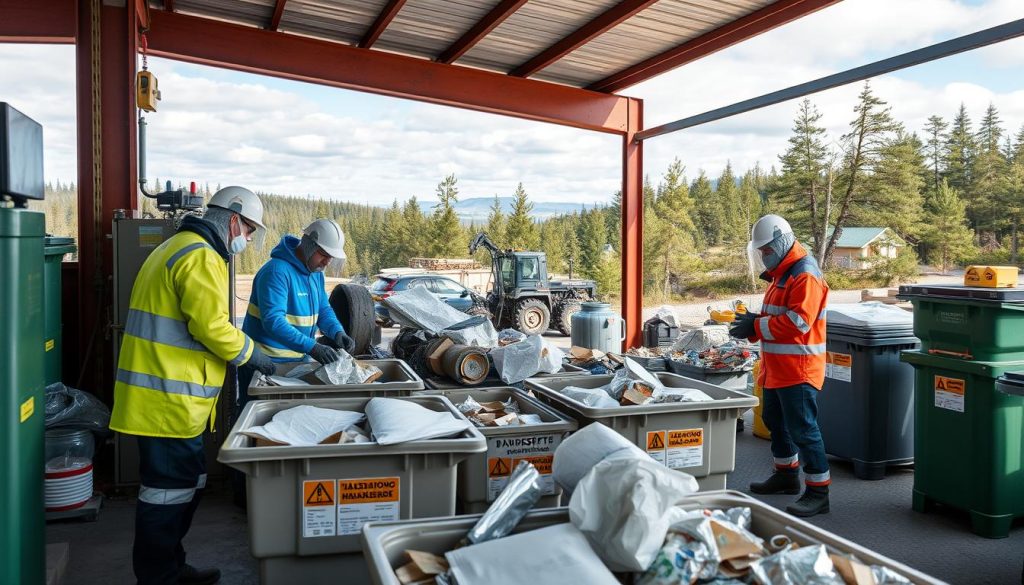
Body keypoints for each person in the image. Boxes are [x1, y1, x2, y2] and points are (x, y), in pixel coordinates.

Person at [109, 186, 277, 585]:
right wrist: (253, 354)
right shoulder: (199, 255)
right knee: (166, 496)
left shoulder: (180, 246)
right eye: (249, 230)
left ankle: (171, 567)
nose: (247, 240)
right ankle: (159, 577)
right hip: (166, 401)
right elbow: (212, 327)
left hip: (170, 401)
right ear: (232, 219)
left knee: (183, 488)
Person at [729, 214, 831, 517]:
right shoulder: (781, 275)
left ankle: (818, 490)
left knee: (804, 430)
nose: (763, 256)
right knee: (775, 420)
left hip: (798, 370)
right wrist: (751, 324)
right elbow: (776, 316)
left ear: (782, 242)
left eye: (766, 250)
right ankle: (787, 476)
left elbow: (798, 323)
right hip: (777, 368)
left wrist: (757, 326)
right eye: (760, 252)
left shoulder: (805, 276)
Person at [237, 218, 355, 404]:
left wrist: (337, 331)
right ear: (308, 245)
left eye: (331, 257)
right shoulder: (277, 272)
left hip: (297, 364)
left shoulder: (315, 273)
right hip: (264, 365)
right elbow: (274, 322)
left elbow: (323, 309)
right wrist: (313, 347)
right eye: (324, 254)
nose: (327, 262)